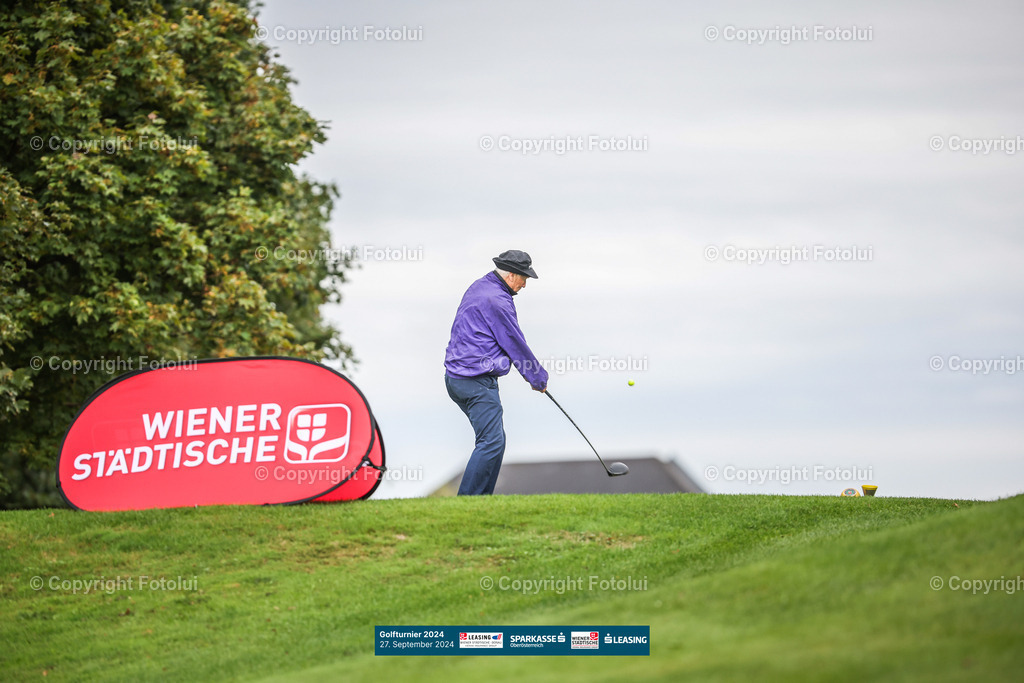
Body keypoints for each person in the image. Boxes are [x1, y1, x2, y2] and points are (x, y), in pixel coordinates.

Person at [444, 250, 549, 495]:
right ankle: (468, 503)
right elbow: (514, 341)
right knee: (491, 442)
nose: (525, 284)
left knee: (494, 441)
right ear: (511, 275)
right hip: (475, 381)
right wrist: (537, 377)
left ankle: (481, 501)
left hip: (456, 379)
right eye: (524, 278)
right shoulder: (498, 300)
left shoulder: (480, 287)